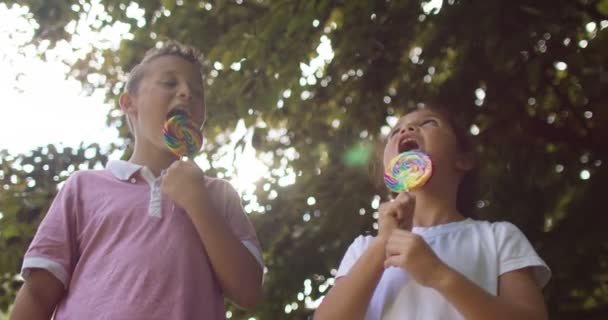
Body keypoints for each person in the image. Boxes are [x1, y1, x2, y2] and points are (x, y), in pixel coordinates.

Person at [10, 40, 264, 319]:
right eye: (169, 83)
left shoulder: (219, 195)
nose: (185, 93)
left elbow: (248, 291)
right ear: (129, 102)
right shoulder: (83, 187)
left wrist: (198, 201)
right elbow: (39, 293)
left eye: (197, 92)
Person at [314, 105, 551, 320]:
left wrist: (438, 275)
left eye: (429, 123)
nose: (405, 128)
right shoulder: (364, 249)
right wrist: (382, 244)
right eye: (394, 132)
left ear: (463, 160)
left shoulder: (498, 237)